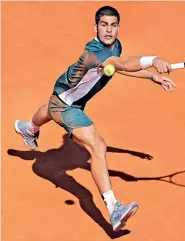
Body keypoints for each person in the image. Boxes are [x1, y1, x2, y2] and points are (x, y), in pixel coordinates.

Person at [14, 6, 175, 232]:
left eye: (113, 25)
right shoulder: (94, 51)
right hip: (66, 105)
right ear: (95, 27)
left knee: (49, 107)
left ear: (118, 28)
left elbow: (117, 67)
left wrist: (151, 76)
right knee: (97, 146)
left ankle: (28, 128)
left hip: (63, 97)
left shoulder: (114, 47)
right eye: (103, 25)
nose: (108, 30)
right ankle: (114, 208)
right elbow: (121, 64)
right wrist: (153, 59)